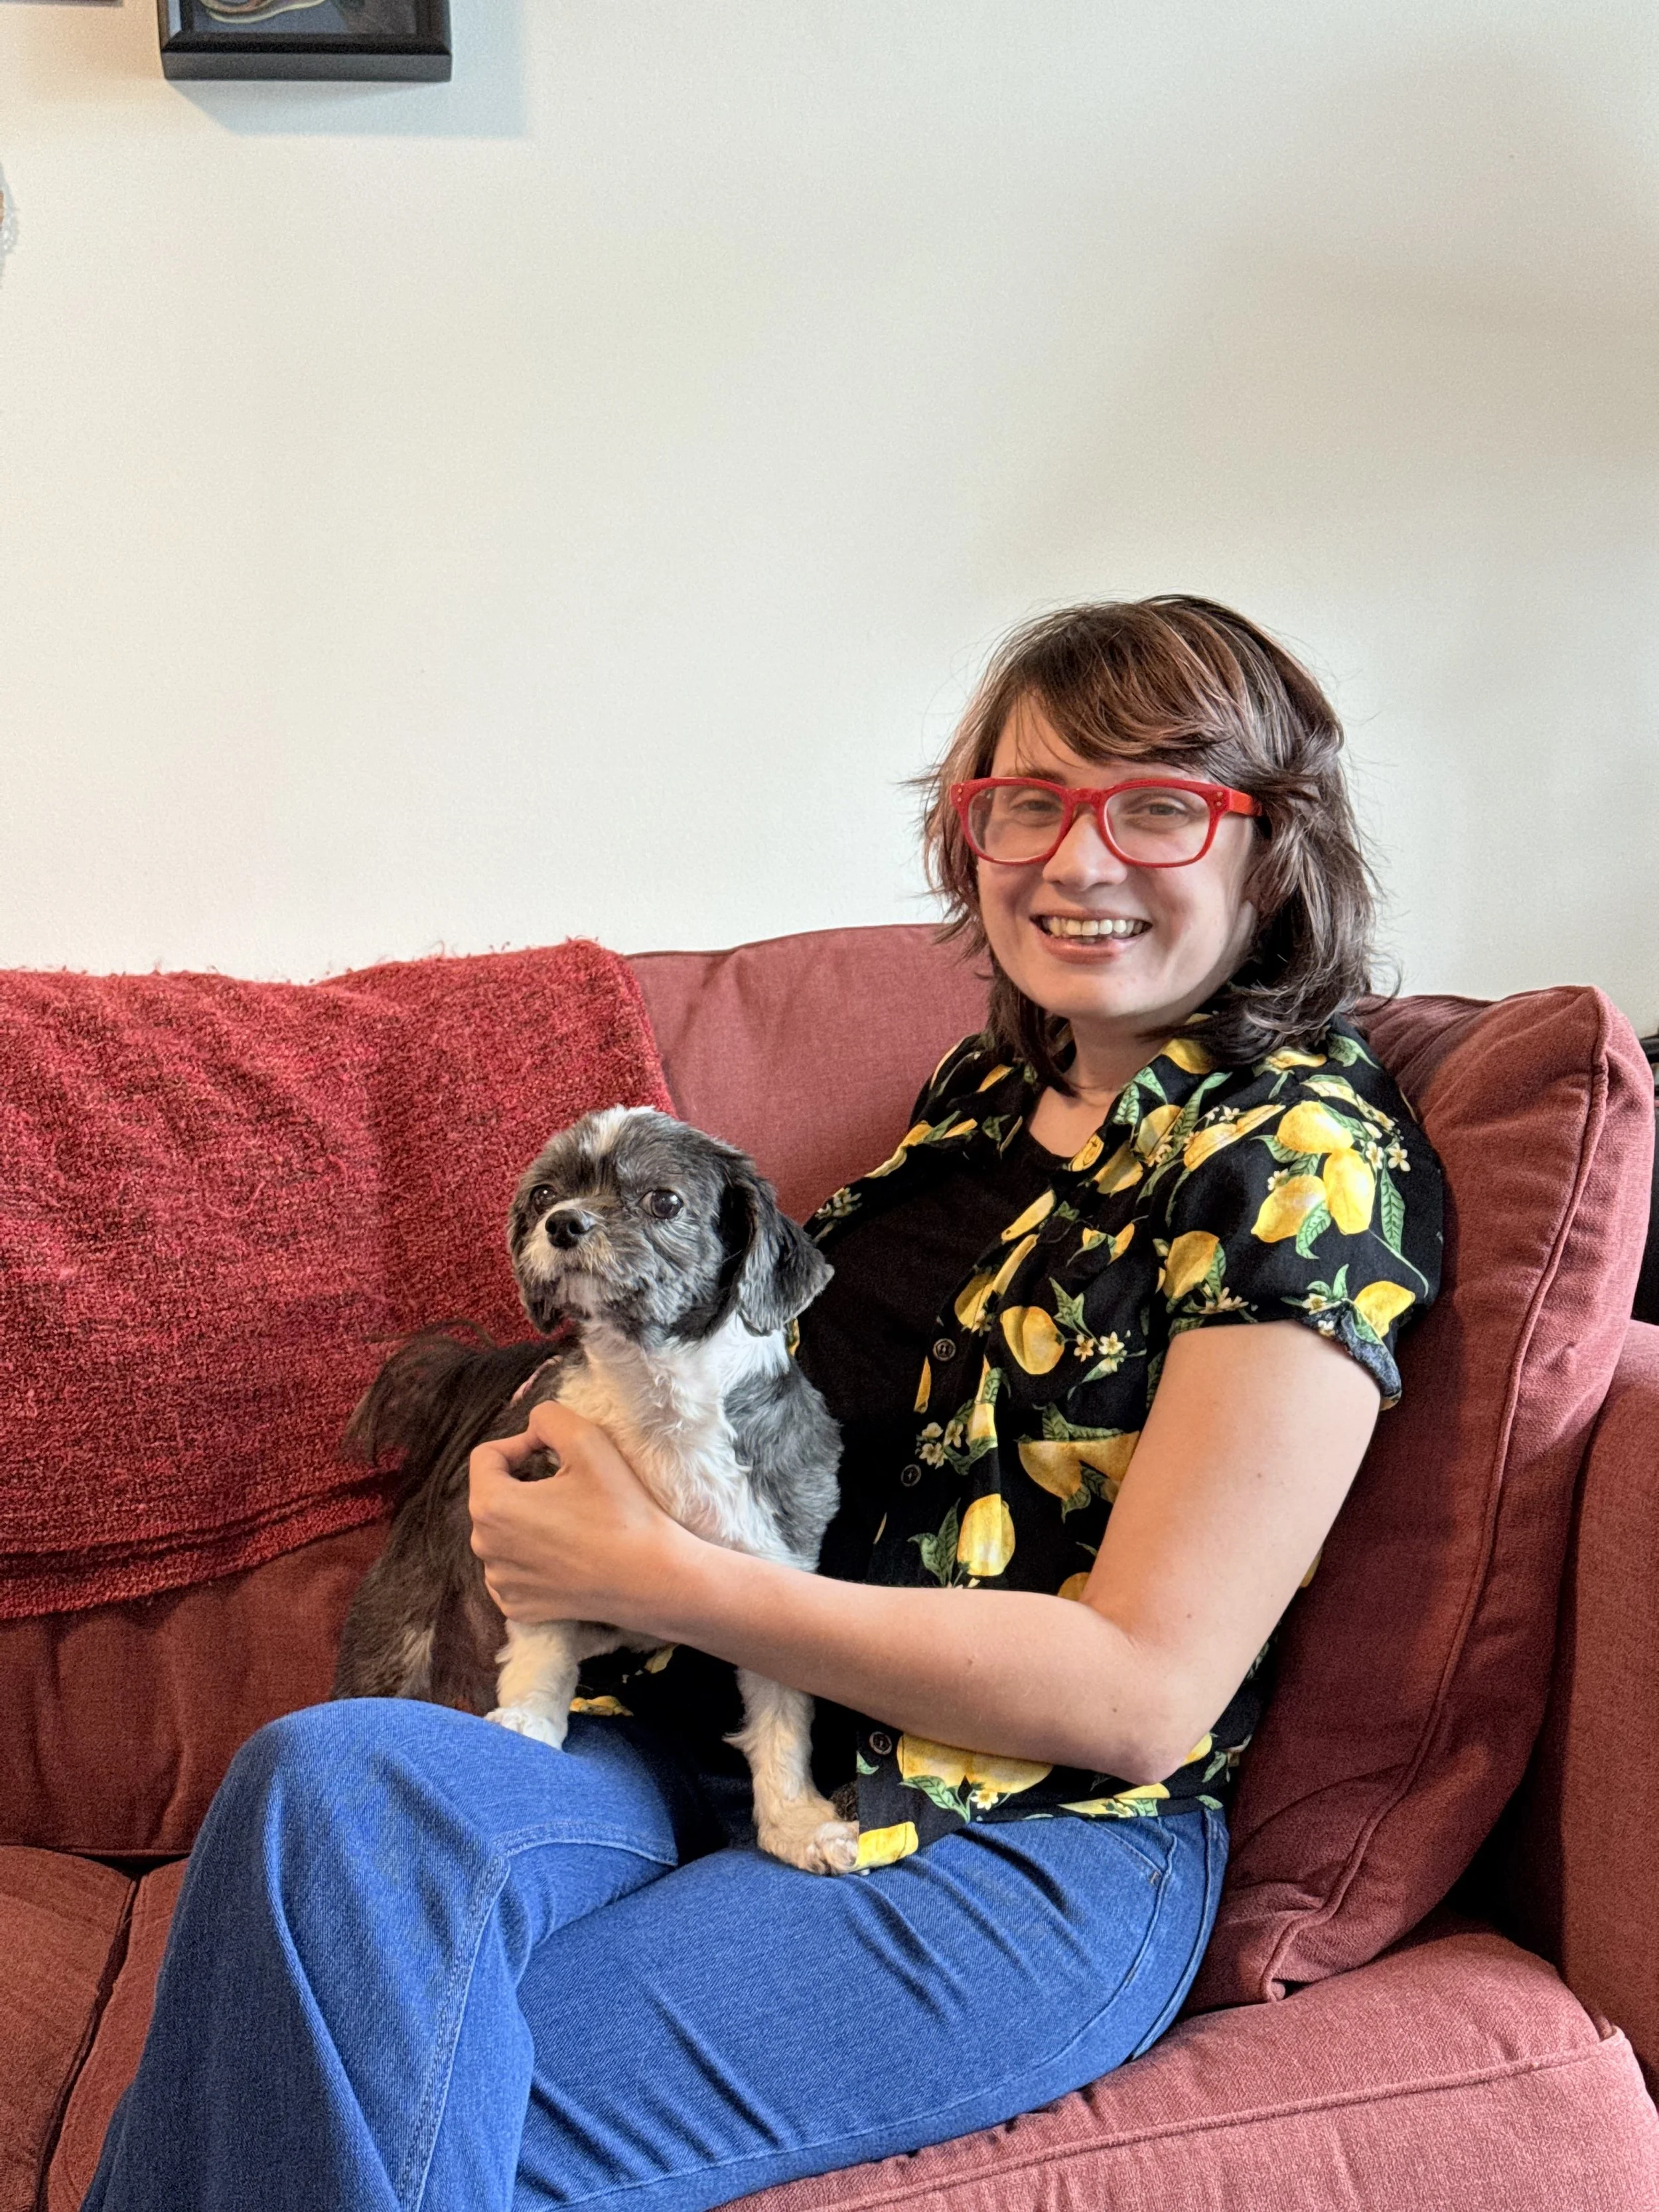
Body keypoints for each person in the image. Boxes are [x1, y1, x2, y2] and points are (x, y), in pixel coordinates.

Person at [85, 597, 1443, 2212]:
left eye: (1155, 805)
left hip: (1004, 1832)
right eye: (1027, 803)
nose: (1076, 862)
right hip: (704, 1742)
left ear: (1269, 843)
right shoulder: (983, 1101)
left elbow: (1141, 1692)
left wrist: (650, 1578)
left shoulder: (1300, 1162)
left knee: (358, 2098)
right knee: (331, 1779)